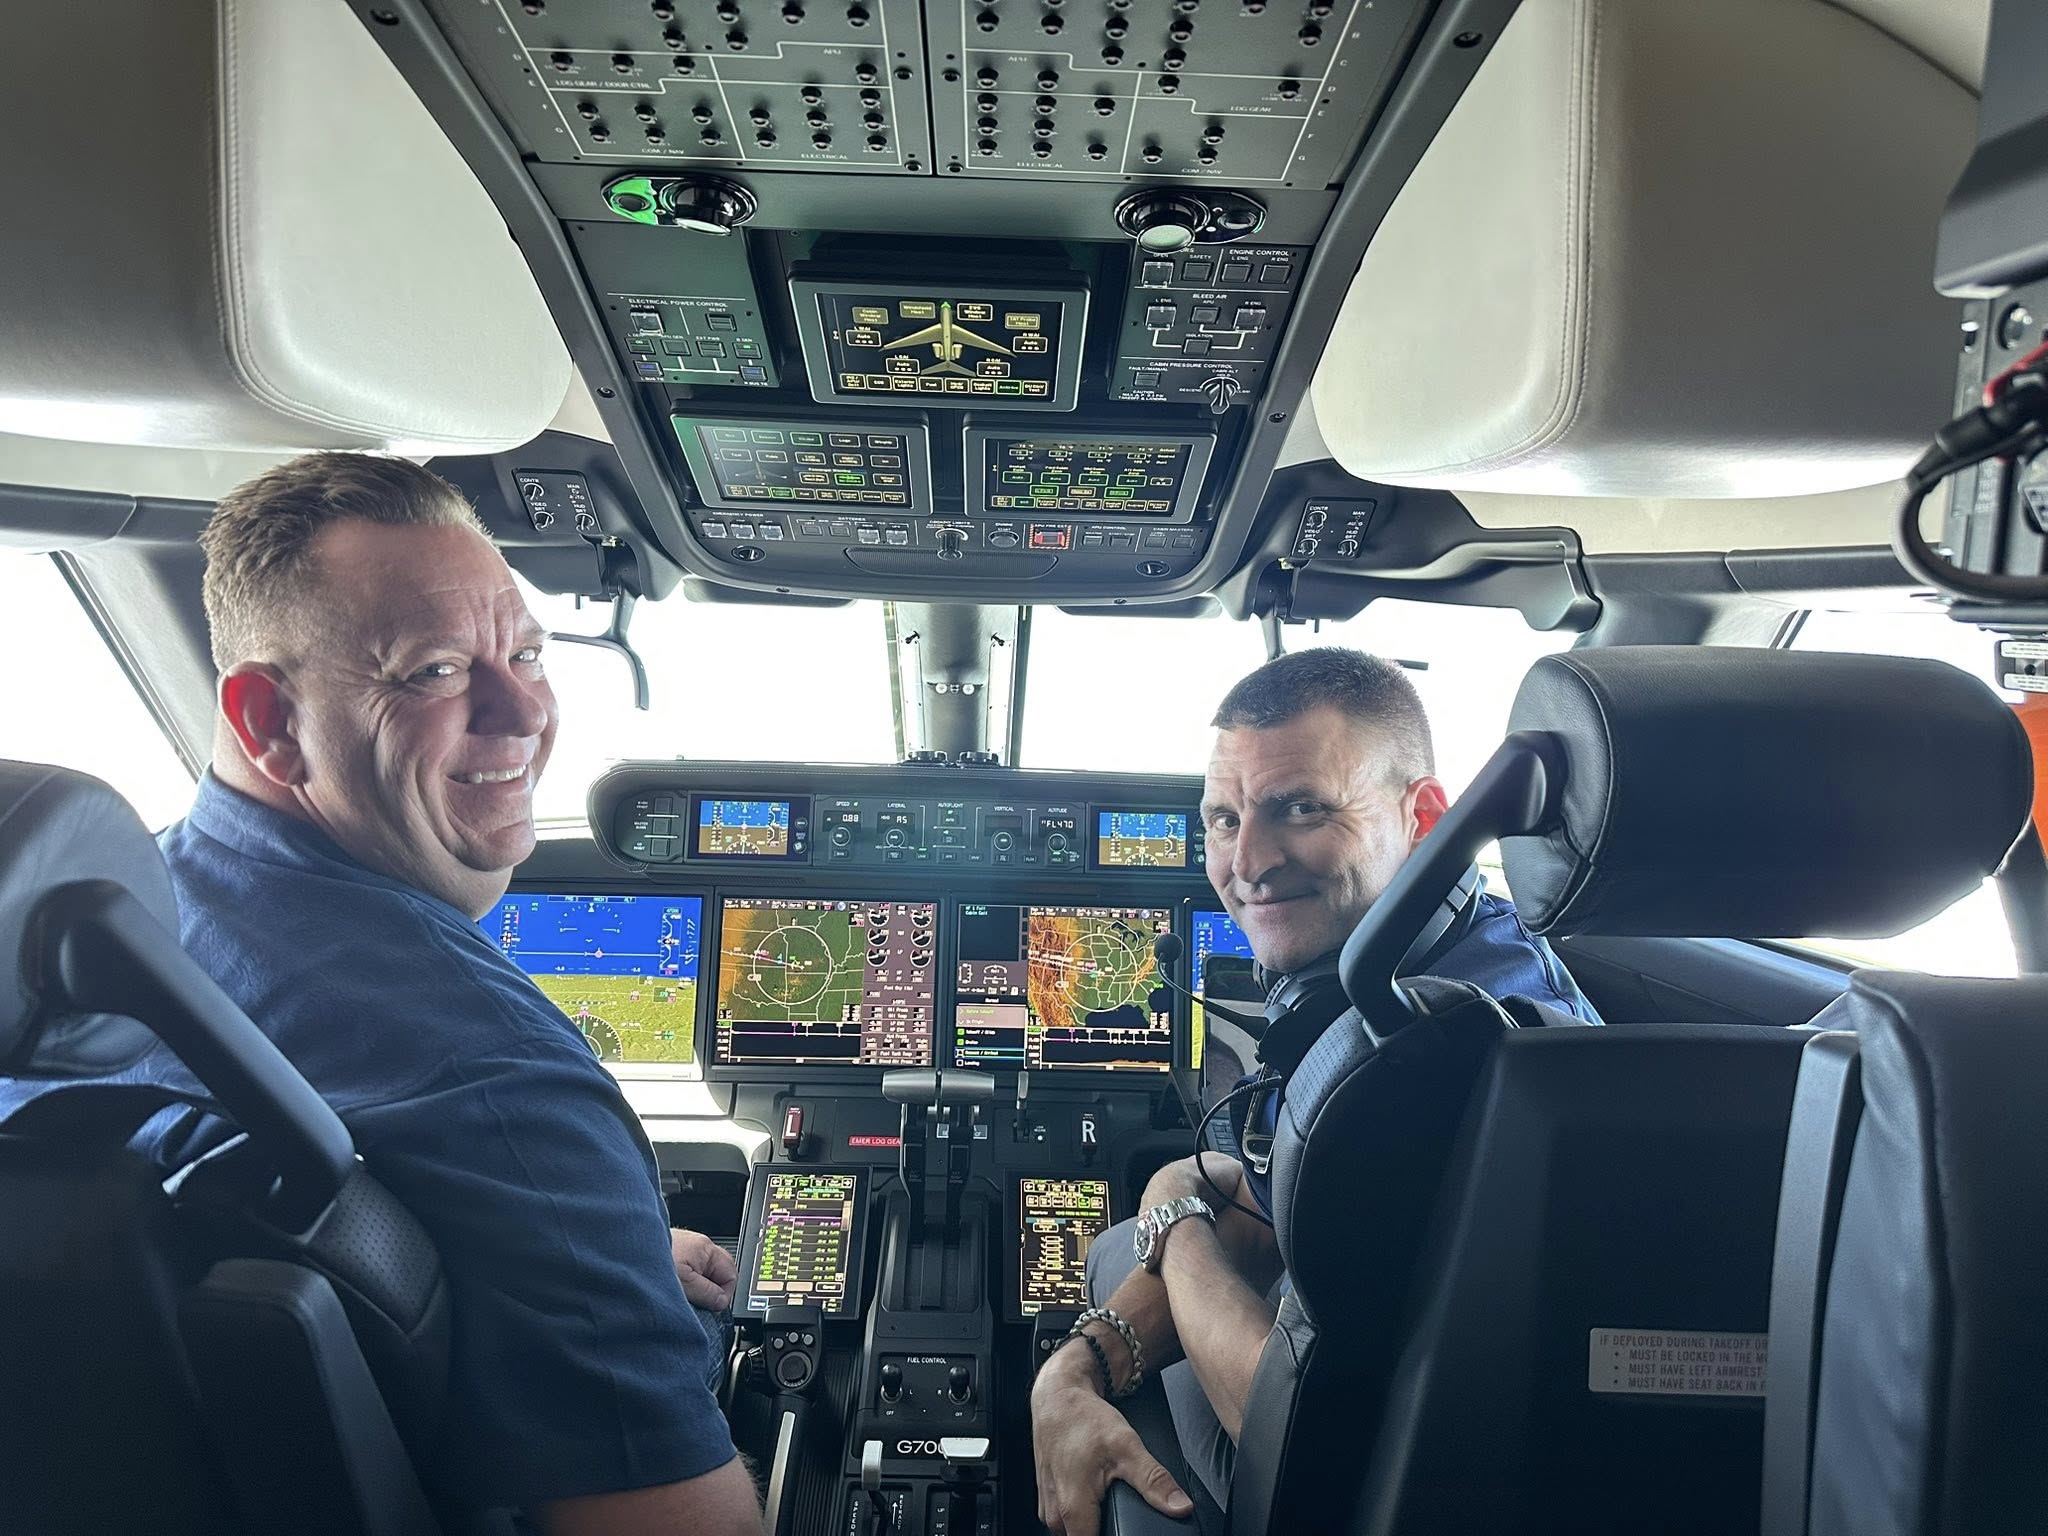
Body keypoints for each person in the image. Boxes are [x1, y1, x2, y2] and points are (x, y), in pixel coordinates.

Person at [0, 454, 762, 1535]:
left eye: (528, 653)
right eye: (436, 672)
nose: (523, 713)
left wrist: (597, 1256)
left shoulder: (72, 954)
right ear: (267, 721)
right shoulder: (501, 1085)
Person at [1029, 648, 1600, 1535]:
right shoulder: (1440, 961)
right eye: (1223, 818)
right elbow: (1273, 1212)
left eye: (1300, 808)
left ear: (1426, 817)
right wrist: (1071, 1372)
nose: (1247, 862)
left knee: (1142, 1233)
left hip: (1396, 1489)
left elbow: (1295, 1441)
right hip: (1438, 1403)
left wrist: (1174, 1216)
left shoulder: (1440, 1051)